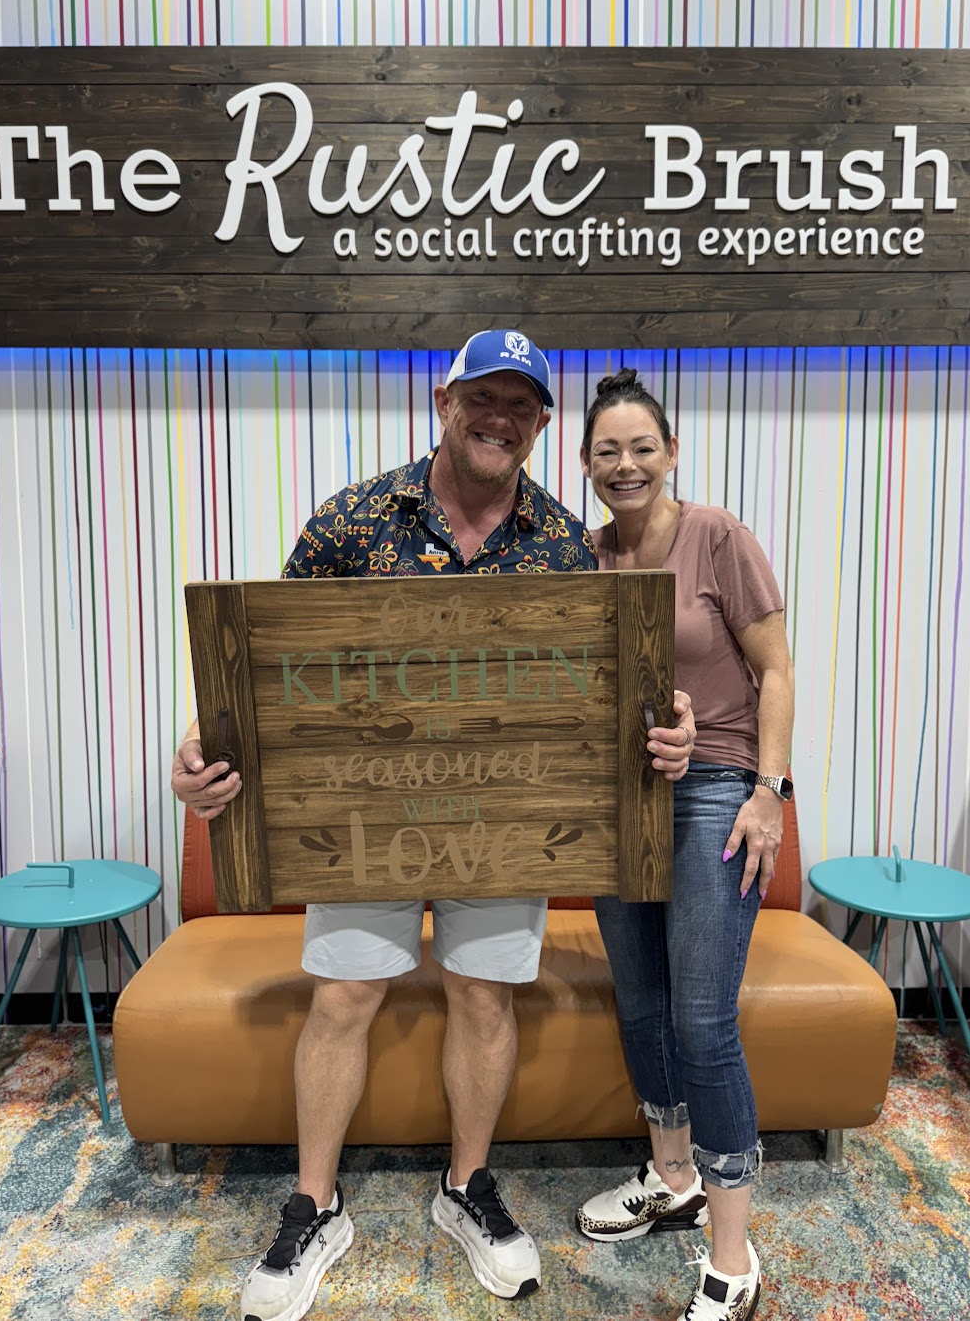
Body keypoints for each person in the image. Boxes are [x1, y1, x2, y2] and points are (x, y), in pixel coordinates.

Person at [169, 331, 698, 1321]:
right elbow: (268, 663)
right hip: (365, 815)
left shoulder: (559, 540)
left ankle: (467, 1187)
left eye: (521, 406)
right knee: (342, 999)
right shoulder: (352, 520)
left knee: (483, 1000)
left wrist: (662, 733)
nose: (499, 418)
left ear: (542, 424)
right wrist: (204, 746)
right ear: (443, 400)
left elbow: (603, 692)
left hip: (502, 822)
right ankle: (314, 1203)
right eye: (482, 399)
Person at [576, 368, 795, 1321]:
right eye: (606, 451)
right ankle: (672, 1175)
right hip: (620, 803)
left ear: (672, 453)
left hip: (716, 791)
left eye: (642, 447)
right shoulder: (584, 558)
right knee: (643, 1003)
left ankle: (734, 1255)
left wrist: (768, 794)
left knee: (704, 1020)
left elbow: (776, 670)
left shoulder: (718, 537)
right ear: (586, 466)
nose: (625, 465)